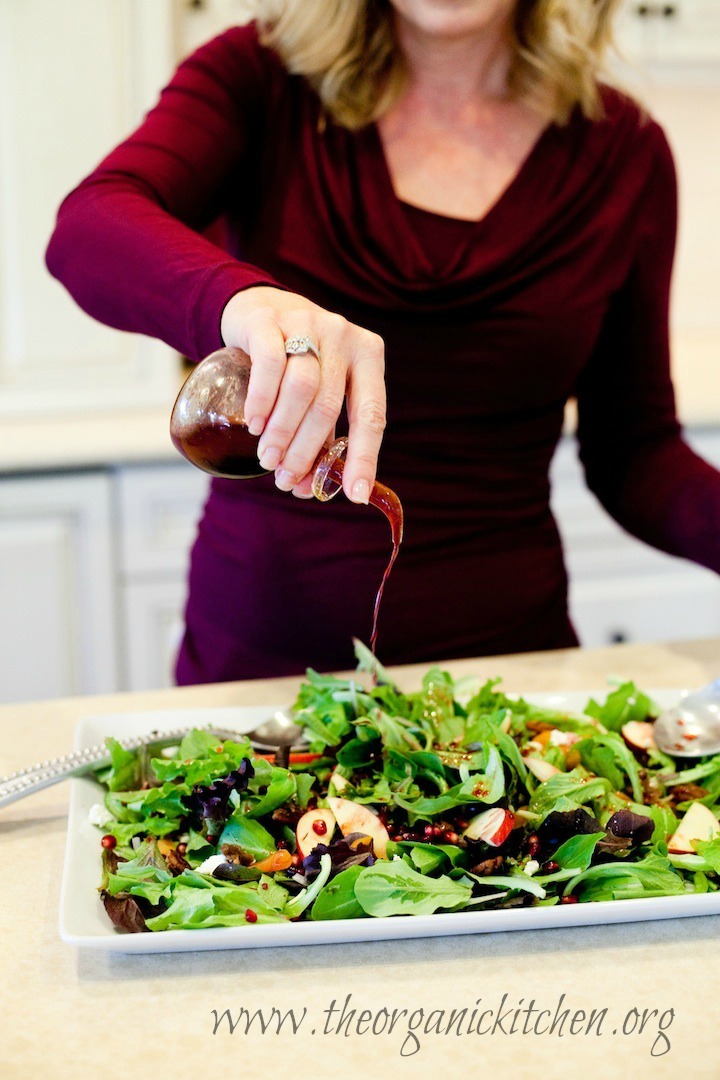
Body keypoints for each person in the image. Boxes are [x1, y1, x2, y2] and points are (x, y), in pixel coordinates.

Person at [46, 0, 720, 682]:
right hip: (258, 680)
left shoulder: (623, 151)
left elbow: (636, 452)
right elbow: (90, 226)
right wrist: (243, 301)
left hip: (507, 680)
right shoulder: (261, 78)